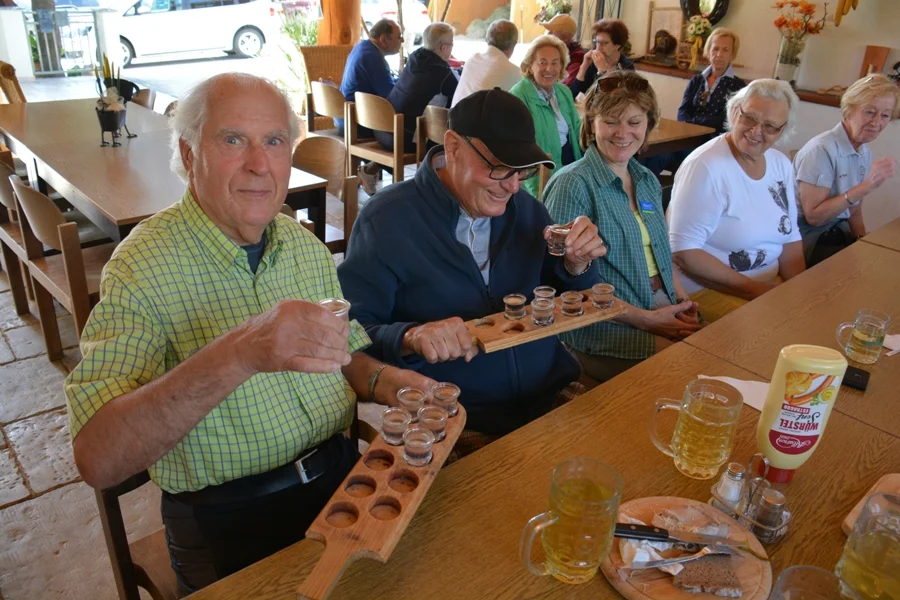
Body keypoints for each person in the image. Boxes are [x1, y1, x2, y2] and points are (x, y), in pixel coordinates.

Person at [63, 73, 432, 594]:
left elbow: (341, 355)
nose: (260, 164)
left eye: (274, 141)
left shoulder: (303, 246)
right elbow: (99, 460)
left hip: (342, 481)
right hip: (228, 517)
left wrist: (388, 382)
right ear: (189, 154)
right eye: (233, 139)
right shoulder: (140, 267)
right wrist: (241, 352)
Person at [338, 89, 608, 459]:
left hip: (550, 390)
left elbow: (567, 298)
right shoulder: (387, 220)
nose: (513, 185)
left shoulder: (527, 211)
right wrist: (411, 336)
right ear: (453, 147)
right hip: (456, 416)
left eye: (523, 170)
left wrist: (577, 266)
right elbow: (352, 333)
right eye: (499, 167)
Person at [543, 71, 702, 382]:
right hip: (603, 326)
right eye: (611, 121)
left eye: (634, 122)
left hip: (660, 306)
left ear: (648, 125)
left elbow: (661, 256)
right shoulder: (572, 184)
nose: (623, 133)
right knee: (687, 371)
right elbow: (561, 287)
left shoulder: (647, 180)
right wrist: (648, 320)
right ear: (591, 124)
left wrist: (683, 303)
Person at [668, 79, 806, 323]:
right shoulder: (706, 166)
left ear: (782, 130)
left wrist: (799, 291)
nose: (756, 131)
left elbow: (790, 237)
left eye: (770, 126)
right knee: (779, 329)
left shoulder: (781, 164)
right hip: (708, 290)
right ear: (734, 112)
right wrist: (758, 292)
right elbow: (684, 252)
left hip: (766, 288)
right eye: (749, 118)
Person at [794, 73, 899, 266]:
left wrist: (862, 241)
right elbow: (814, 217)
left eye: (885, 115)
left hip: (838, 231)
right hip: (809, 237)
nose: (876, 123)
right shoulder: (822, 149)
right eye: (870, 112)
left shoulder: (863, 152)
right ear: (849, 109)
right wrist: (865, 187)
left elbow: (854, 210)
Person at [335, 19, 403, 194]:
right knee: (405, 135)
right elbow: (390, 96)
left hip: (346, 117)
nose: (402, 41)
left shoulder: (362, 47)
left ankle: (370, 171)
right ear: (384, 39)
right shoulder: (373, 57)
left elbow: (385, 84)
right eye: (399, 37)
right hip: (356, 123)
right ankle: (399, 183)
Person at [510, 34, 582, 198]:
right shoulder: (519, 95)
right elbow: (518, 148)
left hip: (570, 165)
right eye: (542, 62)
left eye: (555, 63)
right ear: (530, 66)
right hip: (540, 174)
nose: (549, 69)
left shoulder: (563, 91)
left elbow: (577, 129)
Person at [374, 22, 458, 158]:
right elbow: (459, 97)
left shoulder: (414, 59)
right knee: (453, 137)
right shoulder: (443, 73)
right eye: (452, 44)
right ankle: (438, 171)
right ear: (444, 48)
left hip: (382, 129)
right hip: (403, 139)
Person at [678, 28, 745, 135]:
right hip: (689, 135)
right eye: (715, 48)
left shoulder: (738, 86)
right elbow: (682, 113)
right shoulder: (696, 80)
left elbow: (726, 121)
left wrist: (694, 122)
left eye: (725, 50)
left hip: (716, 139)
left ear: (732, 54)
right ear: (708, 51)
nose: (719, 54)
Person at [450, 19, 521, 107]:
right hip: (477, 115)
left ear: (487, 39)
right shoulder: (514, 72)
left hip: (454, 114)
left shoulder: (473, 60)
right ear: (514, 44)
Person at [569, 18, 634, 99]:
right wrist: (584, 67)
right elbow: (572, 96)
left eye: (604, 43)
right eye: (597, 42)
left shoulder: (626, 66)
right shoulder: (592, 63)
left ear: (617, 45)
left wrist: (602, 72)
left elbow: (609, 100)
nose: (598, 48)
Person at [541, 13, 584, 86]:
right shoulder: (555, 51)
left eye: (552, 31)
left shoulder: (575, 59)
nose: (548, 34)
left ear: (566, 37)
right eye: (548, 31)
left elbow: (563, 87)